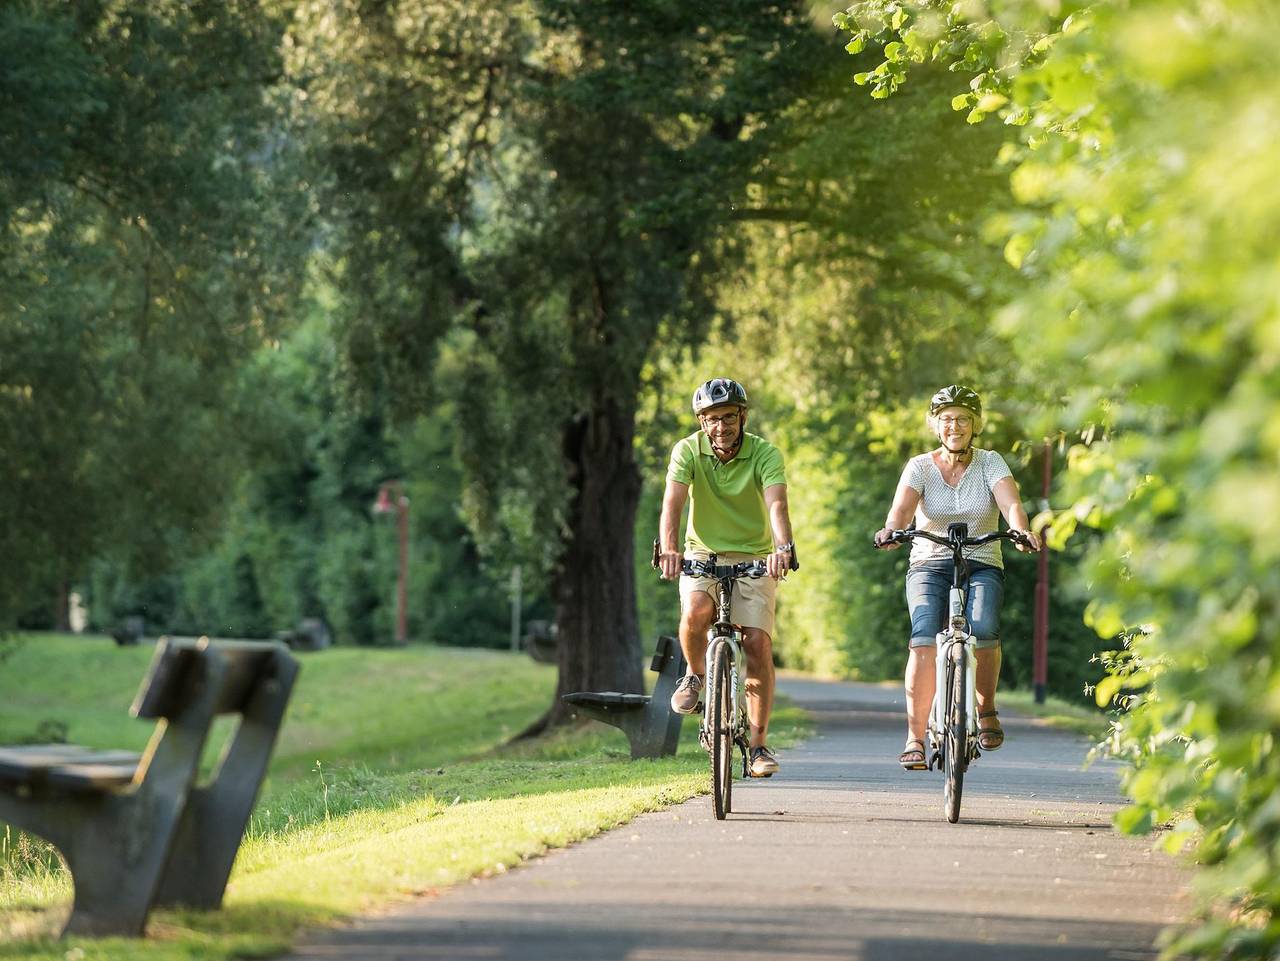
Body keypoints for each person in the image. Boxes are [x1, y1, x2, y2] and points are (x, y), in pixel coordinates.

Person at [874, 385, 1041, 770]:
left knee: (983, 630)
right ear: (936, 425)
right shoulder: (920, 466)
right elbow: (901, 510)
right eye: (947, 419)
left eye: (963, 419)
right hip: (930, 562)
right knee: (922, 640)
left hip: (982, 560)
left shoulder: (990, 462)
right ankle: (915, 738)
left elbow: (1010, 502)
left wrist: (1020, 530)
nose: (955, 426)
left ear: (975, 425)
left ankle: (985, 710)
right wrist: (892, 531)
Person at [657, 378, 795, 778]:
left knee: (756, 643)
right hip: (702, 552)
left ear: (743, 417)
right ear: (702, 422)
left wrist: (782, 548)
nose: (721, 426)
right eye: (712, 419)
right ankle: (695, 675)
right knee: (697, 610)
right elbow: (673, 502)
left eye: (729, 417)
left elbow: (777, 504)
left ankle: (757, 745)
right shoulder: (687, 451)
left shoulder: (764, 453)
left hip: (755, 556)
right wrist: (669, 547)